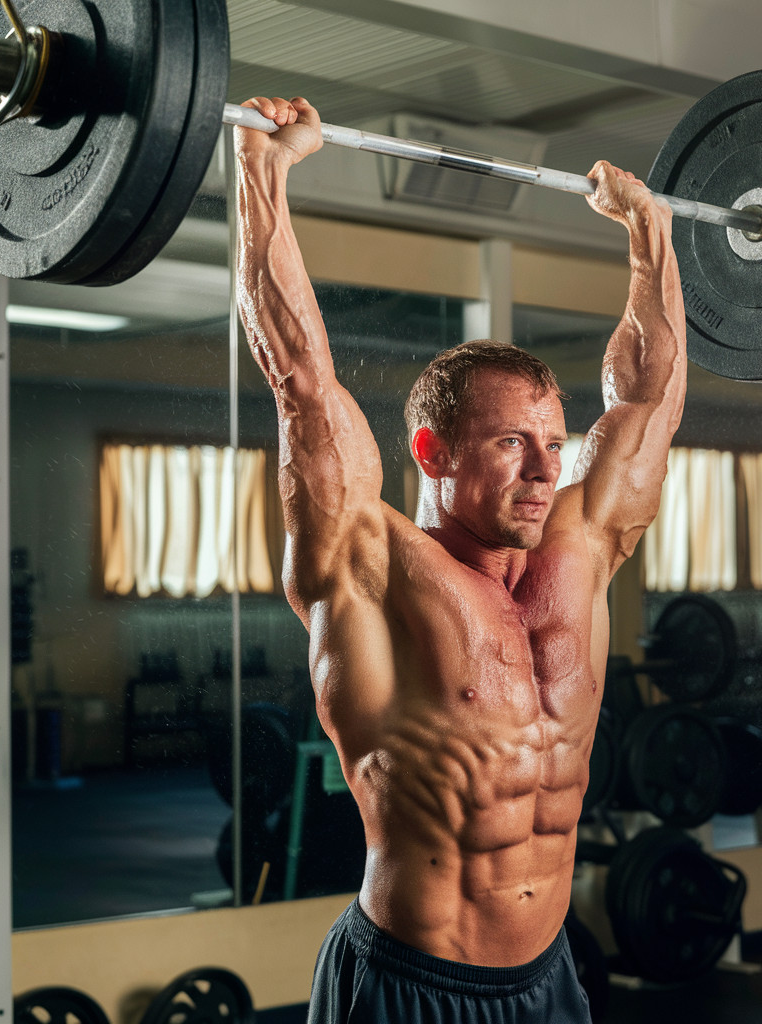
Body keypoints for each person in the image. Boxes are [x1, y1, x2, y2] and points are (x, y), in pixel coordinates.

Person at [234, 95, 686, 1024]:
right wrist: (261, 171)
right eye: (512, 443)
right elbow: (298, 379)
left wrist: (653, 236)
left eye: (553, 445)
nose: (543, 469)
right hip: (410, 984)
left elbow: (648, 399)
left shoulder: (581, 549)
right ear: (434, 452)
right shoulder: (372, 564)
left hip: (550, 978)